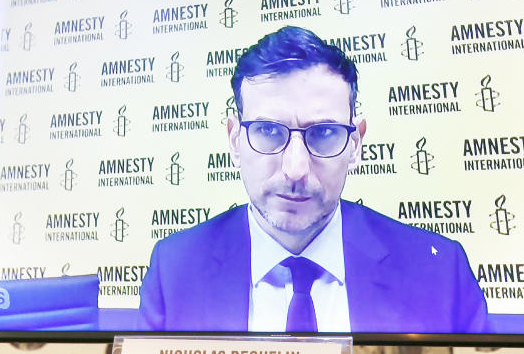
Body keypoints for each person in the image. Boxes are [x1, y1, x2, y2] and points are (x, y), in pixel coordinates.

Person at [137, 26, 487, 334]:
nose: (296, 169)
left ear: (355, 143)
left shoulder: (439, 273)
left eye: (323, 133)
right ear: (234, 141)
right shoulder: (175, 271)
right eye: (268, 131)